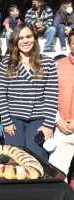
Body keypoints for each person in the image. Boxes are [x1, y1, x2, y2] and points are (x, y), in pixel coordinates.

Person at [0, 23, 58, 160]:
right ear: (15, 41)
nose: (25, 41)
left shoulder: (47, 63)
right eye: (21, 37)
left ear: (34, 38)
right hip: (14, 121)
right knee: (14, 159)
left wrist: (48, 125)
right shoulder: (6, 63)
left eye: (28, 36)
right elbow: (0, 94)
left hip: (38, 121)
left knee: (37, 160)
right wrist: (6, 121)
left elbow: (51, 95)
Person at [48, 30, 74, 181]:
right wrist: (57, 120)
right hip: (62, 129)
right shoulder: (58, 66)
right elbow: (50, 96)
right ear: (69, 45)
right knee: (56, 175)